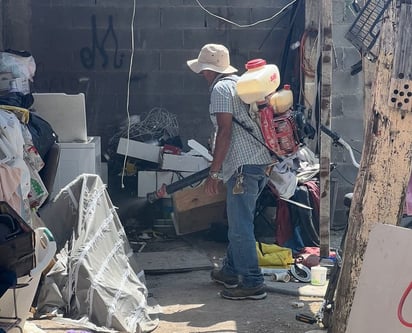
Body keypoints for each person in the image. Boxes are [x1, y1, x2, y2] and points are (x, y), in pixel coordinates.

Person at [187, 44, 274, 300]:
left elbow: (225, 131)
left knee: (239, 227)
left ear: (208, 70)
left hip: (242, 168)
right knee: (240, 221)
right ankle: (230, 270)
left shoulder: (220, 89)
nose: (202, 75)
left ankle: (252, 282)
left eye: (203, 70)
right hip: (261, 163)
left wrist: (214, 173)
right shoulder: (242, 84)